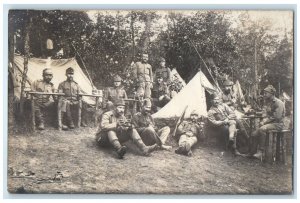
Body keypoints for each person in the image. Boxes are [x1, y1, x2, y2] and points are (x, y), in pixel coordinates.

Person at [250, 85, 286, 159]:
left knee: (262, 129)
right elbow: (265, 112)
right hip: (271, 123)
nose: (264, 94)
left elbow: (277, 117)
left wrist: (265, 121)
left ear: (271, 94)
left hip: (278, 124)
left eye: (266, 93)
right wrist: (260, 115)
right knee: (254, 134)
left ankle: (261, 152)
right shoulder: (268, 102)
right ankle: (251, 153)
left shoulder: (279, 103)